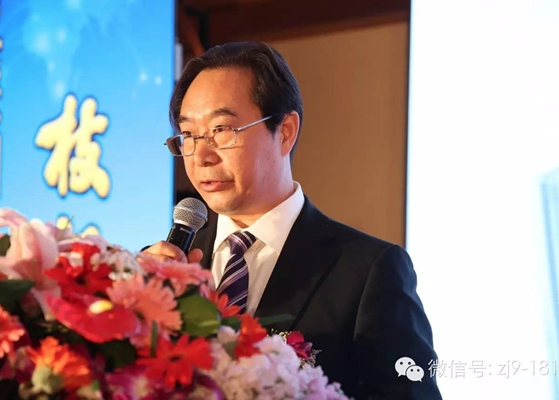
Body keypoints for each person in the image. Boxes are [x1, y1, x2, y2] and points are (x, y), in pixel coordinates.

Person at [143, 41, 442, 400]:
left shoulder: (368, 272)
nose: (202, 156)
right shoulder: (166, 268)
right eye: (190, 135)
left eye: (222, 130)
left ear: (285, 131)